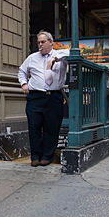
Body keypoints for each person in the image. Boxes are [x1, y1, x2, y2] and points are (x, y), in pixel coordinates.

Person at [18, 30, 69, 167]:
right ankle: (35, 156)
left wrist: (55, 59)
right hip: (35, 97)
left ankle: (47, 156)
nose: (40, 45)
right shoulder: (32, 57)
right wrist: (24, 84)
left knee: (51, 128)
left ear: (51, 42)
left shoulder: (60, 55)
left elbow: (71, 54)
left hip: (53, 97)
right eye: (38, 42)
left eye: (43, 42)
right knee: (34, 127)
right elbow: (22, 71)